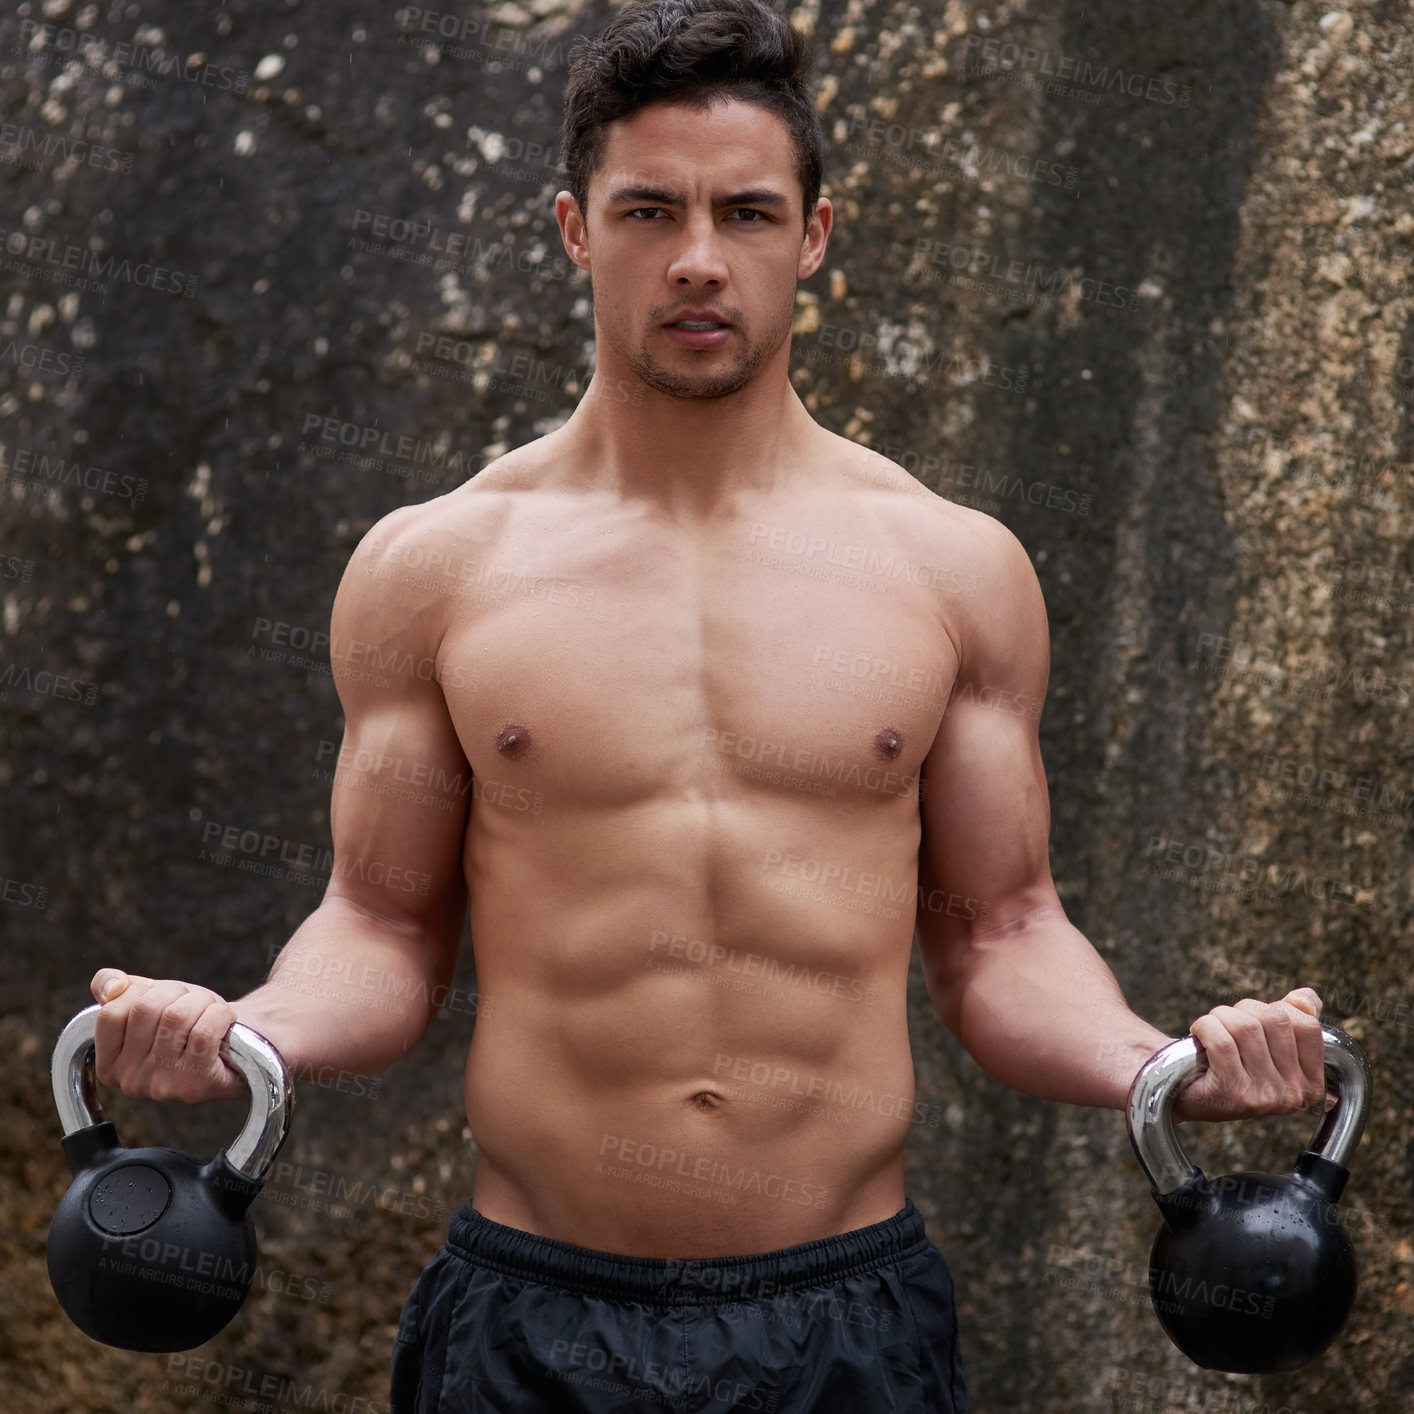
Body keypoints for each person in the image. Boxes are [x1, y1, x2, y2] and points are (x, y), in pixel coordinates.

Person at [86, 1, 1330, 1410]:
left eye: (744, 212)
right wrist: (244, 1029)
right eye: (645, 211)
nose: (695, 259)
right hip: (530, 1318)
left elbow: (1002, 933)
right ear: (572, 229)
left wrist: (1158, 1065)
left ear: (810, 235)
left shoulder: (951, 568)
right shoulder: (433, 566)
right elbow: (378, 926)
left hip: (844, 1323)